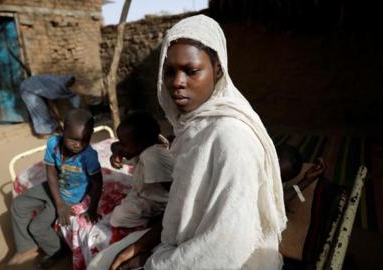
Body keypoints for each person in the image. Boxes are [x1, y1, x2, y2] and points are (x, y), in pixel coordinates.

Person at [108, 15, 287, 270]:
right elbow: (184, 207)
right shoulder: (192, 128)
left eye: (191, 71)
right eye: (169, 72)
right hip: (185, 248)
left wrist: (153, 263)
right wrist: (143, 245)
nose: (177, 82)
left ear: (217, 69)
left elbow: (225, 247)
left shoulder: (231, 138)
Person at [8, 108, 103, 268]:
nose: (78, 145)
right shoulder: (53, 144)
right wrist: (58, 204)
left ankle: (57, 251)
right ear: (62, 130)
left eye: (84, 140)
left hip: (70, 196)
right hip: (55, 187)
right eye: (73, 139)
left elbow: (98, 182)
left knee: (37, 227)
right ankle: (26, 247)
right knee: (18, 205)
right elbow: (51, 172)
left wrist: (92, 209)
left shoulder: (89, 156)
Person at [109, 112, 173, 229]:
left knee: (117, 218)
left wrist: (167, 215)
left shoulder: (153, 157)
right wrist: (116, 152)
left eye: (123, 144)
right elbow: (115, 146)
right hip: (142, 192)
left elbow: (174, 191)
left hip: (157, 203)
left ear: (142, 142)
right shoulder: (144, 146)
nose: (120, 146)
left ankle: (153, 222)